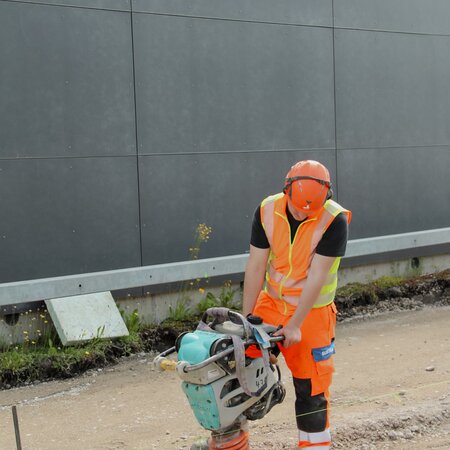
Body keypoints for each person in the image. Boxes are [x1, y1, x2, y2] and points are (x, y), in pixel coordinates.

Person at [243, 160, 351, 449]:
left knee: (311, 387)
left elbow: (317, 278)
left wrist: (294, 326)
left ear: (326, 197)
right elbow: (256, 265)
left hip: (312, 313)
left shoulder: (334, 220)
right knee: (239, 365)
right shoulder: (267, 210)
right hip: (271, 303)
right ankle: (232, 443)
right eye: (297, 207)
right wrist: (246, 318)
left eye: (310, 209)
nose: (303, 212)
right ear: (286, 191)